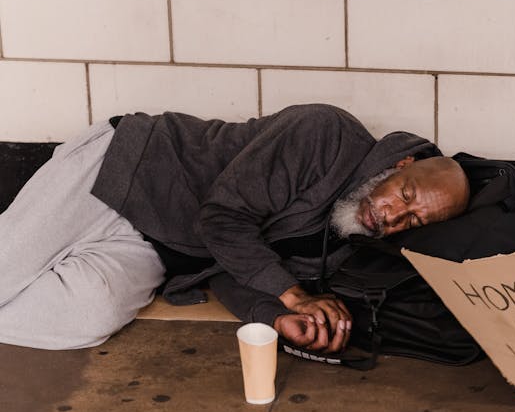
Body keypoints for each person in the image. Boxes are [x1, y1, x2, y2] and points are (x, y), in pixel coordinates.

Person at [0, 104, 470, 353]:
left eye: (413, 220)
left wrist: (276, 317)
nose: (392, 216)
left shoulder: (348, 241)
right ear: (401, 164)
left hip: (161, 248)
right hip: (124, 172)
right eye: (405, 196)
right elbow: (221, 219)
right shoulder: (325, 132)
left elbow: (231, 269)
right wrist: (293, 295)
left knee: (87, 319)